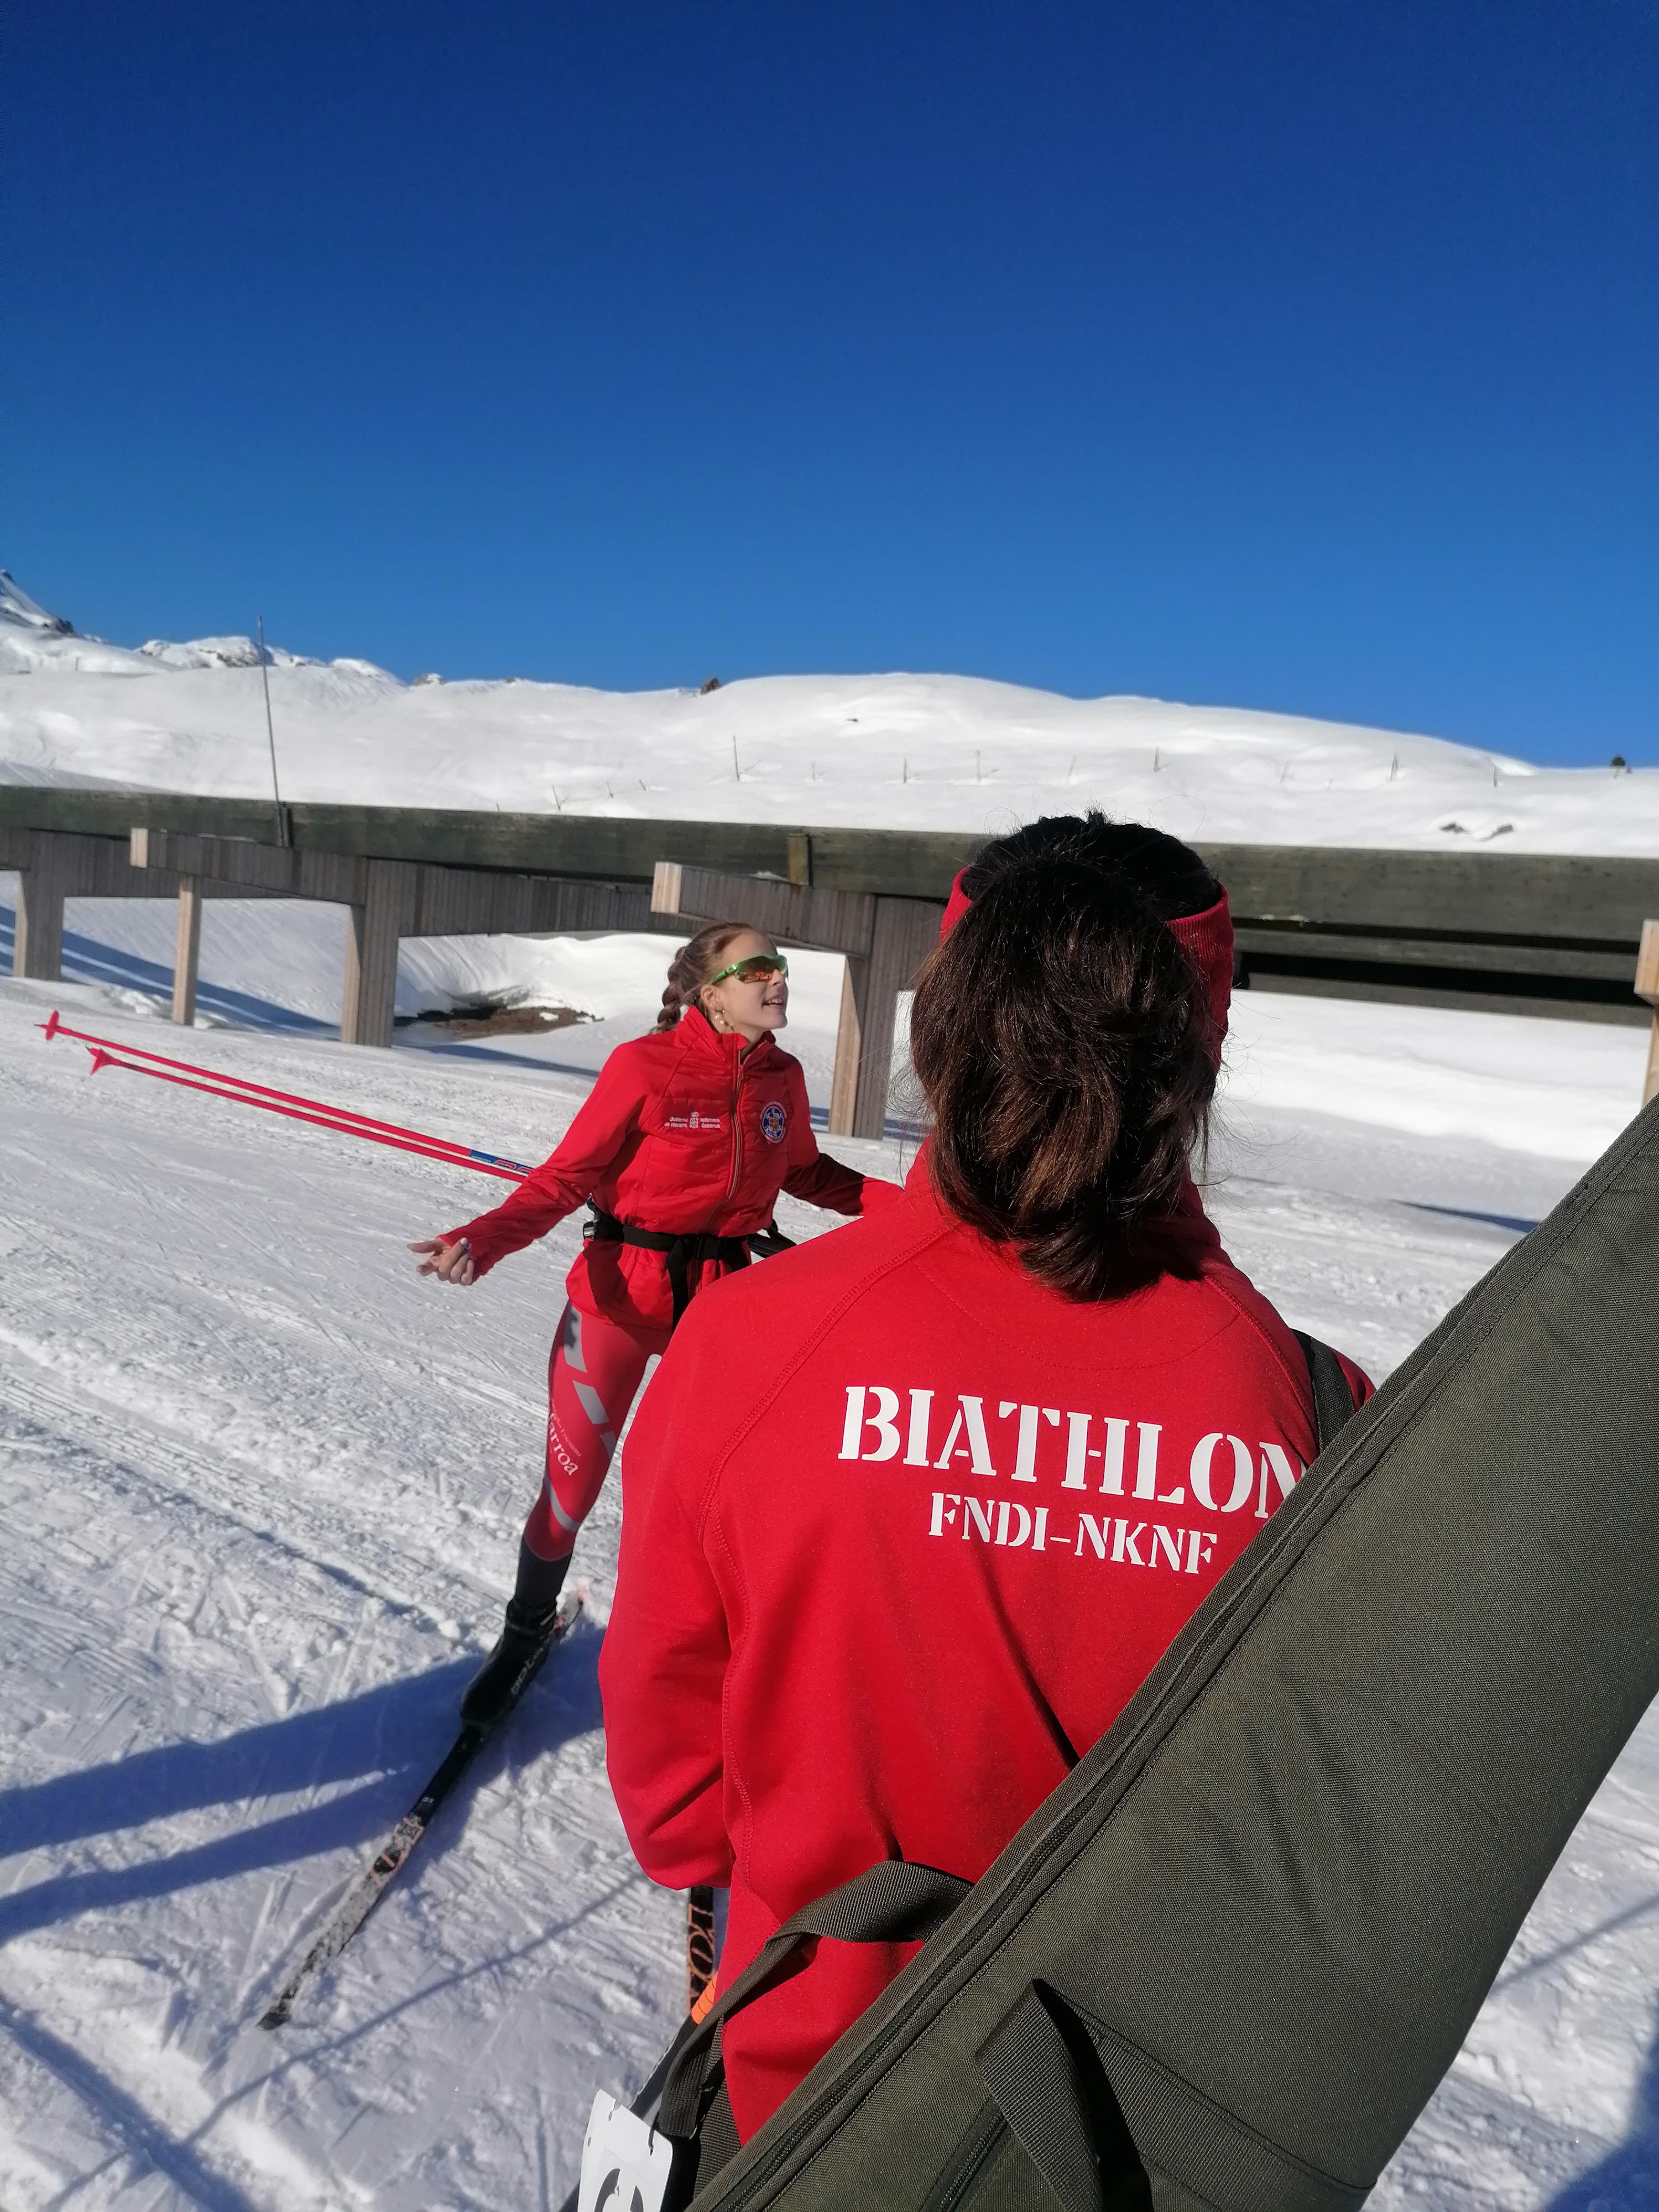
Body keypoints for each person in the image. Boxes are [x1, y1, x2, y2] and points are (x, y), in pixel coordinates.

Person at [599, 813, 1373, 2147]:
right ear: (1203, 1049)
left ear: (944, 1022)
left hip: (812, 2111)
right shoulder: (1320, 1411)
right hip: (1143, 2140)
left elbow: (674, 1790)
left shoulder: (753, 1341)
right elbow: (1319, 1848)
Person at [411, 922, 901, 1724]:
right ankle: (522, 1635)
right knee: (570, 1494)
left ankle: (718, 1649)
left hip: (720, 1312)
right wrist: (483, 1239)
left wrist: (912, 1208)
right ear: (711, 993)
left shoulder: (781, 1076)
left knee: (719, 1497)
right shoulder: (644, 1067)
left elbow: (807, 1172)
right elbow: (564, 1179)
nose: (777, 979)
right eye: (757, 969)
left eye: (779, 966)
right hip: (617, 1307)